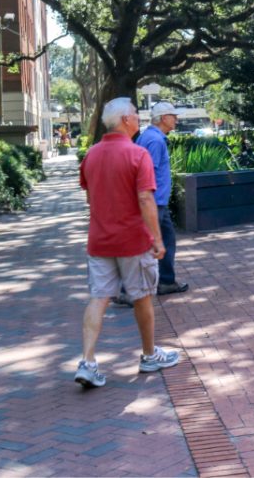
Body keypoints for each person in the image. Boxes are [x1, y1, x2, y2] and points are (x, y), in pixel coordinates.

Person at [75, 97, 179, 388]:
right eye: (134, 114)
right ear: (124, 121)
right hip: (133, 240)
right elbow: (146, 198)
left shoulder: (91, 155)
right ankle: (148, 355)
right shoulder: (137, 155)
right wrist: (157, 240)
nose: (137, 118)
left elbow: (90, 198)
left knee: (99, 297)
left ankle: (88, 361)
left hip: (100, 240)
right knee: (142, 296)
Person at [136, 101, 189, 295]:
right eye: (173, 116)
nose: (176, 119)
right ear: (164, 118)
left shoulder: (149, 137)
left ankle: (166, 281)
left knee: (166, 239)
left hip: (157, 202)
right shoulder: (155, 141)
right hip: (154, 202)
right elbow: (147, 174)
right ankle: (129, 289)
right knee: (148, 244)